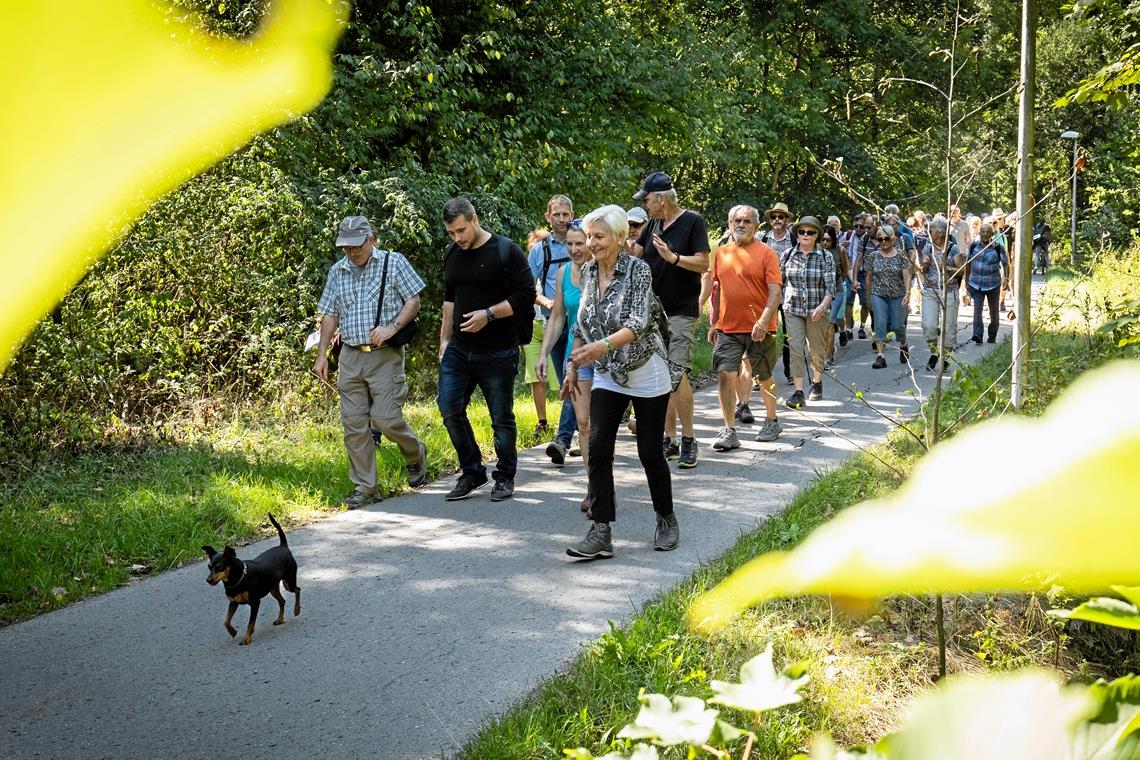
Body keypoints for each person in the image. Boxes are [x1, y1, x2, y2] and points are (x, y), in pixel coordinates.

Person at [566, 204, 681, 559]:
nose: (591, 243)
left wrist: (599, 346)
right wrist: (574, 363)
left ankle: (666, 518)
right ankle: (601, 531)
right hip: (608, 373)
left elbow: (638, 322)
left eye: (598, 236)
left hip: (646, 369)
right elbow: (582, 321)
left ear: (619, 237)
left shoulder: (638, 271)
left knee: (649, 452)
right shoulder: (587, 272)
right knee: (598, 448)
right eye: (589, 236)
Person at [313, 216, 428, 509]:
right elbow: (329, 315)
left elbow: (413, 301)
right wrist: (322, 354)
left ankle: (415, 454)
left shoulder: (393, 262)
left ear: (371, 239)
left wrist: (392, 328)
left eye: (356, 246)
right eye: (346, 248)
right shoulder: (337, 271)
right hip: (350, 356)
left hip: (384, 355)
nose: (351, 253)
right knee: (353, 425)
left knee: (387, 419)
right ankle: (366, 488)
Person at [437, 197, 535, 502]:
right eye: (452, 233)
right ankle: (472, 471)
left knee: (500, 417)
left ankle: (505, 476)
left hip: (498, 350)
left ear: (475, 219)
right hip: (458, 349)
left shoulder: (506, 251)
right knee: (449, 408)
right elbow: (449, 301)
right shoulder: (453, 253)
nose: (458, 238)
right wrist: (443, 340)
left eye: (461, 230)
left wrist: (488, 315)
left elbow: (526, 295)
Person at [630, 171, 709, 469]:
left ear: (661, 199)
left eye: (647, 199)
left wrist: (673, 257)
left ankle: (689, 439)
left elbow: (704, 262)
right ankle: (670, 438)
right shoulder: (652, 224)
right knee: (658, 375)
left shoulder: (692, 221)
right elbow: (635, 253)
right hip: (652, 312)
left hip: (680, 310)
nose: (645, 205)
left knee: (676, 374)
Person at [707, 205, 783, 450]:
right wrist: (713, 322)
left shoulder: (766, 253)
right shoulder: (721, 253)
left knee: (763, 376)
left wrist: (763, 320)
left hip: (759, 327)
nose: (741, 225)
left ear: (756, 226)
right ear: (729, 224)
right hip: (727, 327)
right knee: (725, 374)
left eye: (747, 221)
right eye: (736, 220)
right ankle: (729, 429)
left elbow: (775, 291)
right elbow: (716, 290)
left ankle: (771, 420)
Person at [537, 219, 594, 511]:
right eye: (569, 244)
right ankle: (594, 486)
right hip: (577, 356)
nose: (573, 249)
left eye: (579, 243)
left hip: (607, 356)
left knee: (600, 426)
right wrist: (544, 353)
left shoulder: (604, 270)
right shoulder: (562, 273)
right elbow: (558, 316)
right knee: (583, 424)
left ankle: (602, 480)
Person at [527, 195, 578, 464]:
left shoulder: (583, 241)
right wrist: (546, 301)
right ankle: (584, 431)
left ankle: (563, 438)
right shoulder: (539, 250)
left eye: (565, 214)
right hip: (554, 322)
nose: (561, 219)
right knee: (568, 383)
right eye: (556, 214)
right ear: (548, 217)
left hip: (580, 322)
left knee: (574, 379)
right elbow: (528, 286)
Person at [780, 216, 835, 406]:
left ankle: (817, 382)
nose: (805, 235)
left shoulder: (825, 256)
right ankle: (798, 391)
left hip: (816, 309)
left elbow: (831, 288)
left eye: (810, 232)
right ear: (797, 234)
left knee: (816, 349)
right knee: (795, 349)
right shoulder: (788, 254)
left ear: (816, 235)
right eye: (802, 232)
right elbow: (780, 282)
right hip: (792, 309)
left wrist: (822, 306)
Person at [860, 223, 913, 368]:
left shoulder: (901, 255)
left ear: (893, 239)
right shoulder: (873, 256)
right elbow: (869, 278)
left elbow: (907, 276)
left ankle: (903, 343)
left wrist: (908, 293)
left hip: (898, 295)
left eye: (886, 239)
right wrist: (869, 297)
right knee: (880, 324)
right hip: (879, 294)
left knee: (897, 326)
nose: (883, 242)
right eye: (880, 239)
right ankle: (880, 356)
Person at [918, 216, 965, 371]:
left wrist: (945, 266)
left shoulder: (953, 248)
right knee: (928, 326)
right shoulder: (927, 247)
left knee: (949, 328)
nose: (928, 232)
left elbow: (961, 270)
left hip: (949, 292)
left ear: (939, 233)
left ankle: (945, 358)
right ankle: (934, 352)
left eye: (930, 230)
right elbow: (922, 271)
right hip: (930, 290)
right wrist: (924, 265)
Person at [759, 202, 795, 384]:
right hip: (766, 294)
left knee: (788, 334)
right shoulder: (761, 238)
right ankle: (762, 374)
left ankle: (790, 373)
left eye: (781, 216)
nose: (777, 220)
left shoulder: (795, 239)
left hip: (789, 293)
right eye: (774, 217)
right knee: (764, 332)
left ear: (787, 219)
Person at [966, 221, 1009, 345]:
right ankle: (977, 334)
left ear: (992, 233)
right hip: (976, 284)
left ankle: (992, 335)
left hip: (993, 284)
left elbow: (1006, 264)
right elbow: (967, 264)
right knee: (977, 309)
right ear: (979, 232)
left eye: (988, 232)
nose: (985, 234)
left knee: (994, 312)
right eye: (983, 232)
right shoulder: (973, 247)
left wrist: (1006, 279)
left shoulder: (997, 247)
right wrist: (966, 281)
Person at [821, 225, 850, 367]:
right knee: (819, 324)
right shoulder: (816, 251)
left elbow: (845, 270)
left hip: (837, 289)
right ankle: (828, 348)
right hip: (819, 291)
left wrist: (837, 282)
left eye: (828, 240)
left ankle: (827, 357)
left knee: (831, 323)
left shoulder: (840, 251)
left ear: (834, 240)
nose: (825, 243)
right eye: (822, 240)